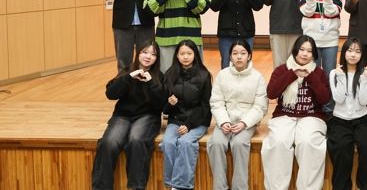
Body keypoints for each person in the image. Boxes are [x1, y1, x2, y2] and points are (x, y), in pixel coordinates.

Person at [91, 40, 166, 190]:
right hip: (122, 116)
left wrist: (151, 83)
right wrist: (129, 77)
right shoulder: (127, 71)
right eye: (145, 52)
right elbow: (111, 94)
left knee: (136, 140)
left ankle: (136, 187)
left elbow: (162, 104)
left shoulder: (159, 76)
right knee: (109, 142)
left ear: (157, 58)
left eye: (153, 54)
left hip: (147, 117)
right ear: (138, 53)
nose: (148, 57)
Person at [262, 35, 331, 190]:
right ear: (295, 50)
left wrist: (310, 77)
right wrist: (292, 74)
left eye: (309, 51)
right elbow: (271, 93)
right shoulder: (282, 69)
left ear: (314, 54)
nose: (305, 54)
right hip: (285, 115)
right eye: (302, 49)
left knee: (308, 142)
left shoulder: (318, 72)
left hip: (311, 116)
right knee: (278, 142)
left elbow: (324, 98)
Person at [208, 39, 268, 190]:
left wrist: (244, 123)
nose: (239, 57)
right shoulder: (222, 75)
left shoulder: (257, 77)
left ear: (249, 56)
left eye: (243, 53)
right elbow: (216, 102)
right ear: (230, 56)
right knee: (216, 143)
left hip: (246, 122)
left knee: (239, 143)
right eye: (235, 53)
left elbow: (260, 107)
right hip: (226, 121)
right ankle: (220, 187)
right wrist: (223, 121)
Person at [327, 37, 367, 190]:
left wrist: (365, 79)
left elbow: (364, 101)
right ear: (344, 52)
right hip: (340, 119)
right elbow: (338, 99)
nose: (353, 55)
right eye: (349, 50)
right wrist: (342, 77)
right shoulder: (334, 73)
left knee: (366, 146)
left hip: (362, 119)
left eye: (357, 51)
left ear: (362, 55)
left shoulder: (366, 74)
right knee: (341, 148)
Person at [161, 40, 212, 190]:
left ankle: (179, 186)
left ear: (195, 55)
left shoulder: (204, 75)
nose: (185, 57)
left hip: (198, 121)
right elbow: (164, 110)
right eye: (182, 53)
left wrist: (189, 125)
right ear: (177, 55)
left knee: (185, 143)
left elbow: (205, 106)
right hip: (176, 119)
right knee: (168, 142)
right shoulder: (169, 74)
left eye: (189, 53)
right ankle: (171, 184)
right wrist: (170, 103)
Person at [299, 0, 343, 84]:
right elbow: (307, 12)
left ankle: (329, 98)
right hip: (311, 41)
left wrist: (328, 0)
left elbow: (333, 12)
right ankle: (314, 98)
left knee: (330, 74)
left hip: (330, 40)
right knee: (313, 74)